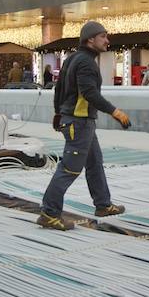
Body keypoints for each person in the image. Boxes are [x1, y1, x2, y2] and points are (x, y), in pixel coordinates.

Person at [37, 22, 131, 230]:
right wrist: (115, 111)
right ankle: (49, 213)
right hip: (79, 123)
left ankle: (103, 205)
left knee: (95, 162)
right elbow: (89, 94)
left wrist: (58, 113)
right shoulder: (86, 63)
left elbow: (58, 89)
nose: (107, 41)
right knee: (69, 168)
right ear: (90, 39)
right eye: (103, 36)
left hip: (77, 121)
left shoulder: (72, 58)